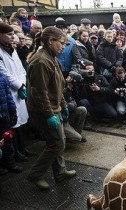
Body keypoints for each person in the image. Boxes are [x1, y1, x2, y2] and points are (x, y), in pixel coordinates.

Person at [26, 26, 76, 190]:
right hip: (44, 110)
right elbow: (40, 92)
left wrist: (62, 105)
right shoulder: (41, 61)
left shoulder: (51, 56)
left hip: (53, 107)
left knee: (58, 141)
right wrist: (49, 114)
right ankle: (35, 175)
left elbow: (57, 85)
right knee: (56, 144)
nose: (63, 47)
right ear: (50, 41)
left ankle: (60, 172)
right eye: (61, 43)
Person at [0, 23, 34, 162]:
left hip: (19, 89)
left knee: (20, 123)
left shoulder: (12, 50)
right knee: (12, 124)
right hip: (9, 92)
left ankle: (22, 149)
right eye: (9, 34)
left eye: (13, 33)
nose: (12, 36)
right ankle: (15, 153)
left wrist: (23, 85)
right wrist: (19, 85)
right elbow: (4, 73)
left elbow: (20, 69)